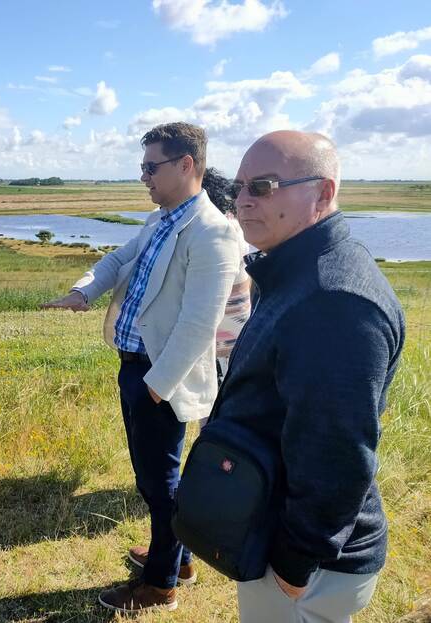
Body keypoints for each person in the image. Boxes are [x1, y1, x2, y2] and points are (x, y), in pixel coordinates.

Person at [196, 131, 405, 622]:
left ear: (324, 193)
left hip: (309, 562)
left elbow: (336, 451)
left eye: (263, 186)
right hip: (281, 528)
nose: (244, 201)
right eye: (240, 187)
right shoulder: (298, 270)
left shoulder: (333, 300)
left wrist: (295, 563)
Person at [42, 122, 241, 613]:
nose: (144, 177)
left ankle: (160, 586)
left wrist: (155, 387)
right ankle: (178, 558)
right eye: (143, 168)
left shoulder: (213, 232)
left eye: (152, 167)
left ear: (186, 165)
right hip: (137, 368)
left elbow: (199, 324)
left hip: (158, 378)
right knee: (155, 479)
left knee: (160, 484)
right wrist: (82, 292)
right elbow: (116, 260)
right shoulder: (161, 220)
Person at [202, 167, 251, 385]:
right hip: (238, 329)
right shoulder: (234, 225)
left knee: (213, 405)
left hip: (220, 339)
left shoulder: (218, 232)